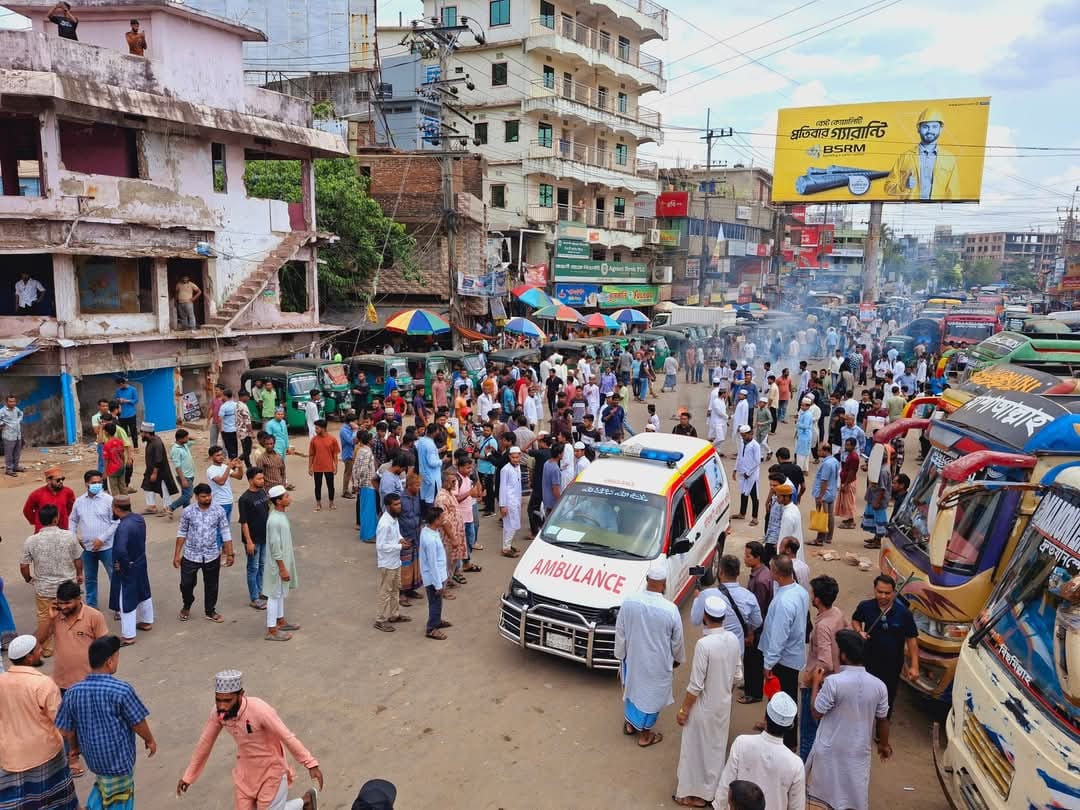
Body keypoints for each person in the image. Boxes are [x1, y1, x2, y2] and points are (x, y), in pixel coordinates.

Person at [178, 670, 321, 809]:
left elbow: (286, 736)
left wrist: (310, 763)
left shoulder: (259, 710)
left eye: (227, 700)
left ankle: (304, 801)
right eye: (218, 700)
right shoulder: (217, 713)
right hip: (245, 774)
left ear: (241, 695)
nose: (222, 706)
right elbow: (205, 743)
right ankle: (306, 802)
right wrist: (188, 776)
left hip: (271, 771)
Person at [56, 634, 155, 809]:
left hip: (94, 760)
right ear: (110, 661)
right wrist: (149, 740)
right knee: (120, 799)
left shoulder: (73, 692)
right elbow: (137, 721)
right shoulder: (121, 690)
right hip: (119, 762)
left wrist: (74, 748)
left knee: (104, 786)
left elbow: (68, 730)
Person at [806, 630, 891, 810]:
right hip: (858, 753)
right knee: (853, 799)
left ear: (843, 655)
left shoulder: (833, 682)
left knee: (824, 800)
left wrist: (815, 683)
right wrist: (884, 745)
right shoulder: (879, 686)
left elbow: (816, 712)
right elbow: (883, 720)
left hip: (830, 752)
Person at [674, 596, 742, 808]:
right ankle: (708, 794)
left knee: (693, 750)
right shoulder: (733, 639)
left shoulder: (704, 645)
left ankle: (688, 794)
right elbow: (738, 676)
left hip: (703, 708)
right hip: (723, 706)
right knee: (715, 750)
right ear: (724, 617)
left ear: (705, 616)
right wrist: (723, 691)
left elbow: (696, 685)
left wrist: (684, 709)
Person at [0, 634, 79, 810]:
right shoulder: (43, 684)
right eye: (38, 649)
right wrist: (73, 749)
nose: (41, 651)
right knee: (58, 801)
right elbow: (62, 724)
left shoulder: (1, 681)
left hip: (10, 756)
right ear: (29, 657)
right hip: (45, 754)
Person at [615, 560, 686, 748]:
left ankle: (630, 725)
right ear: (664, 584)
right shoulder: (670, 610)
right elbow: (677, 641)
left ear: (647, 580)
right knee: (651, 698)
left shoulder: (629, 601)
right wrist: (677, 660)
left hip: (633, 659)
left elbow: (620, 632)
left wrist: (621, 656)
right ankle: (645, 736)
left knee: (633, 691)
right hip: (658, 665)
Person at [720, 692, 805, 810]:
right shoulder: (796, 764)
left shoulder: (742, 743)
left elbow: (725, 788)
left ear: (765, 718)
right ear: (790, 727)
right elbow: (797, 807)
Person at [758, 555, 810, 750]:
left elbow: (779, 636)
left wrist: (768, 663)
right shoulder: (799, 591)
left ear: (776, 572)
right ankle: (772, 727)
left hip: (783, 660)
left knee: (783, 701)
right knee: (783, 697)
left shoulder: (784, 602)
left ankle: (786, 742)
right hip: (792, 655)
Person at [851, 574, 919, 719]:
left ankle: (882, 724)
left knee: (886, 700)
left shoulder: (904, 614)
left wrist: (914, 666)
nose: (883, 596)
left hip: (892, 666)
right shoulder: (865, 606)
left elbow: (911, 639)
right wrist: (859, 631)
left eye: (887, 593)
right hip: (868, 662)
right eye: (880, 592)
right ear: (874, 590)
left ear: (894, 592)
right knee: (865, 696)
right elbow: (855, 620)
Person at [20, 505, 83, 659]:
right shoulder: (70, 536)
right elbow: (78, 559)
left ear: (40, 520)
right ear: (56, 519)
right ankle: (72, 644)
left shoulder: (31, 541)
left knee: (45, 618)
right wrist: (79, 575)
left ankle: (47, 649)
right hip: (67, 588)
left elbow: (24, 566)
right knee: (72, 615)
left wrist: (29, 578)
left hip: (44, 589)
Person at [799, 575, 846, 761]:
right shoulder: (837, 613)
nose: (810, 596)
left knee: (808, 733)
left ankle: (804, 770)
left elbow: (825, 663)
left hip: (818, 685)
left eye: (812, 593)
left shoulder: (823, 626)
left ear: (817, 599)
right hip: (836, 680)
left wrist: (809, 678)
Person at [174, 483, 234, 623]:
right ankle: (187, 604)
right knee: (186, 584)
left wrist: (230, 553)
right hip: (190, 555)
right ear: (196, 497)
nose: (207, 498)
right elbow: (182, 532)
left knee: (212, 585)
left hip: (212, 554)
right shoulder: (188, 511)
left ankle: (210, 611)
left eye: (209, 495)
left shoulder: (218, 511)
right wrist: (177, 554)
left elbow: (225, 531)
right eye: (203, 496)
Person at [884, 107, 958, 200]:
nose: (930, 131)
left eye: (934, 126)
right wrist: (904, 186)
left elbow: (954, 193)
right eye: (925, 126)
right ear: (918, 129)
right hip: (910, 207)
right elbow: (888, 188)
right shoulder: (905, 157)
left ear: (941, 129)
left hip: (937, 208)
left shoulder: (949, 159)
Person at [691, 554, 762, 650]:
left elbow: (695, 620)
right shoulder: (749, 596)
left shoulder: (706, 595)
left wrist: (697, 599)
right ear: (738, 573)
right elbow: (757, 622)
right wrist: (746, 629)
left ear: (720, 572)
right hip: (737, 650)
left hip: (713, 650)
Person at [109, 496, 154, 645]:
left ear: (116, 509)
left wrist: (123, 564)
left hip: (128, 566)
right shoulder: (138, 519)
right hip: (140, 561)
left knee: (126, 598)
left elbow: (121, 550)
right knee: (143, 591)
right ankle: (147, 621)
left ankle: (128, 636)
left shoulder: (123, 527)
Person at [70, 470, 116, 610]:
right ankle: (92, 607)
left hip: (107, 547)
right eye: (93, 483)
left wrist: (102, 539)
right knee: (90, 579)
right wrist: (74, 537)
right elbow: (73, 520)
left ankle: (117, 607)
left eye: (99, 482)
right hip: (87, 549)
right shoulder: (79, 502)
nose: (97, 485)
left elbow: (116, 522)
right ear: (86, 484)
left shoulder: (108, 500)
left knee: (114, 577)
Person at [263, 485, 301, 642]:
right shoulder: (274, 520)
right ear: (278, 501)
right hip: (277, 566)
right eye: (286, 496)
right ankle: (272, 630)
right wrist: (282, 568)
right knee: (274, 595)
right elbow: (275, 547)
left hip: (282, 563)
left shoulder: (280, 515)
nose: (289, 498)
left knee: (279, 594)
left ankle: (280, 621)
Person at [374, 492, 410, 633]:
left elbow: (396, 533)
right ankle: (380, 620)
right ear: (388, 506)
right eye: (396, 504)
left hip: (395, 561)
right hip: (387, 563)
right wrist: (400, 546)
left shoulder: (393, 518)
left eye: (399, 503)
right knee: (385, 592)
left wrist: (400, 539)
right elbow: (381, 546)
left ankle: (395, 614)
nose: (399, 506)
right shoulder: (384, 523)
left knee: (396, 589)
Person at [238, 467, 270, 611]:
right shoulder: (244, 499)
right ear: (251, 480)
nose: (262, 481)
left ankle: (261, 591)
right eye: (259, 478)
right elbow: (244, 522)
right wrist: (249, 542)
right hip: (253, 540)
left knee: (262, 565)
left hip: (264, 537)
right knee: (253, 568)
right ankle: (254, 598)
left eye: (262, 478)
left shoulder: (262, 493)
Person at [419, 505, 450, 640]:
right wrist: (438, 585)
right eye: (442, 518)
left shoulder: (429, 531)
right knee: (435, 603)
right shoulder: (430, 539)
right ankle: (431, 628)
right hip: (433, 578)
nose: (444, 520)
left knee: (438, 602)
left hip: (439, 575)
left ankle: (437, 621)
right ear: (436, 520)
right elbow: (432, 564)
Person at [138, 422, 178, 515]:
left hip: (160, 471)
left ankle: (167, 507)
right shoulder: (150, 441)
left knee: (164, 488)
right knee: (147, 486)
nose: (140, 435)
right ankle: (151, 506)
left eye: (141, 433)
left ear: (147, 433)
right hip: (150, 470)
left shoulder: (157, 443)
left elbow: (158, 460)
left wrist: (154, 473)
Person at [23, 467, 76, 532]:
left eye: (62, 479)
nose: (61, 482)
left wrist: (63, 517)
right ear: (48, 480)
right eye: (58, 480)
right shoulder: (36, 494)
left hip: (62, 529)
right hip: (43, 531)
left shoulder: (68, 492)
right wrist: (38, 521)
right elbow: (27, 511)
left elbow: (71, 508)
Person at [810, 443, 840, 545]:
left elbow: (824, 480)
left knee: (822, 516)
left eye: (819, 450)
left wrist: (820, 496)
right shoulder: (834, 461)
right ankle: (828, 537)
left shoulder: (827, 464)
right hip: (831, 492)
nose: (818, 452)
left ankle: (820, 539)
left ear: (825, 451)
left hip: (824, 493)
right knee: (830, 516)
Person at [352, 430, 379, 542]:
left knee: (365, 510)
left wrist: (356, 483)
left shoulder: (360, 450)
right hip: (368, 484)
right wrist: (361, 482)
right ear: (369, 441)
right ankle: (369, 536)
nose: (374, 441)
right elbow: (362, 469)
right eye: (372, 439)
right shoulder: (367, 452)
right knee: (369, 511)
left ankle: (366, 534)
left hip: (364, 485)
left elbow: (355, 468)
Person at [307, 419, 340, 512]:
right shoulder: (314, 440)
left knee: (331, 485)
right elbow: (311, 455)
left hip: (329, 467)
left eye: (317, 428)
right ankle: (318, 503)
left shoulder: (332, 439)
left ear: (323, 428)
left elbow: (335, 454)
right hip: (317, 467)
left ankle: (331, 502)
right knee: (317, 486)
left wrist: (335, 465)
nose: (315, 430)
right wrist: (310, 467)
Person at [732, 425, 761, 526]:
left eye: (744, 435)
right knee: (743, 492)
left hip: (752, 475)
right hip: (742, 472)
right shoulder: (742, 443)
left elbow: (757, 462)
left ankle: (755, 518)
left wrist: (748, 473)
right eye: (742, 435)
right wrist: (735, 469)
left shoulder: (755, 446)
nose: (743, 437)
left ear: (750, 434)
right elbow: (739, 456)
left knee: (754, 495)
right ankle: (742, 513)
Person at [498, 445, 523, 558]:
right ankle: (506, 548)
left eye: (517, 457)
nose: (516, 460)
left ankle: (507, 544)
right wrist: (502, 505)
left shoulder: (518, 467)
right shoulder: (505, 470)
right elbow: (502, 488)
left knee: (513, 524)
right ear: (509, 457)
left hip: (516, 500)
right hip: (508, 502)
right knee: (510, 525)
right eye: (513, 457)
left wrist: (520, 499)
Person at [836, 437, 860, 530]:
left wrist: (846, 484)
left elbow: (852, 472)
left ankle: (851, 521)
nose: (846, 446)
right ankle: (849, 519)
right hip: (846, 481)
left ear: (853, 446)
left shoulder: (854, 457)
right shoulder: (850, 455)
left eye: (848, 445)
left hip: (849, 482)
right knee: (846, 501)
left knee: (849, 502)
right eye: (846, 444)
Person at [1, 394, 24, 476]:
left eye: (14, 401)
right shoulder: (2, 411)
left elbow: (21, 414)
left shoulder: (16, 409)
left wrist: (18, 420)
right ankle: (9, 469)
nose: (12, 403)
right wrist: (2, 424)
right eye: (10, 401)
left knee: (17, 453)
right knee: (9, 454)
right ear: (6, 402)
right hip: (8, 436)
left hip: (17, 435)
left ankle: (15, 467)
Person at [114, 377, 139, 448]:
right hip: (121, 415)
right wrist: (119, 400)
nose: (120, 386)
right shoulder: (118, 390)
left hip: (131, 414)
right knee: (124, 433)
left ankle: (136, 446)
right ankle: (126, 447)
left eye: (121, 385)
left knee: (133, 431)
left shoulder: (133, 389)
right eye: (119, 385)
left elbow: (136, 400)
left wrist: (126, 401)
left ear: (124, 383)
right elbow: (116, 399)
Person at [794, 398, 814, 473]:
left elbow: (805, 426)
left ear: (808, 406)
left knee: (801, 454)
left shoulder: (807, 415)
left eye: (803, 405)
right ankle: (805, 469)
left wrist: (797, 423)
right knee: (805, 453)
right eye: (801, 405)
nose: (802, 407)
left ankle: (799, 470)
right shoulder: (804, 413)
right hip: (804, 435)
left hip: (804, 436)